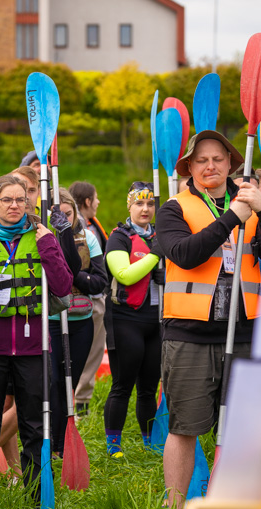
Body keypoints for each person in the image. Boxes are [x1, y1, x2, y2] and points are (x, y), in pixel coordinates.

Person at [156, 131, 261, 509]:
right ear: (189, 166)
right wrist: (230, 218)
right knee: (183, 427)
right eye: (201, 160)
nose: (210, 166)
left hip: (245, 332)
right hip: (189, 335)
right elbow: (184, 254)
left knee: (246, 429)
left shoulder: (253, 202)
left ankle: (242, 505)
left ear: (231, 163)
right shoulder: (174, 207)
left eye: (217, 159)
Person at [0, 174, 72, 496]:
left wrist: (48, 246)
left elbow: (63, 286)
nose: (14, 206)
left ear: (28, 204)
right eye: (7, 200)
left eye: (20, 200)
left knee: (33, 425)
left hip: (33, 347)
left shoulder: (43, 237)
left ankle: (36, 493)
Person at [103, 182, 164, 457]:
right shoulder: (119, 237)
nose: (145, 209)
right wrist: (155, 256)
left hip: (157, 319)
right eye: (139, 203)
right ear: (129, 205)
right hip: (126, 318)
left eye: (150, 204)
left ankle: (150, 442)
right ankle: (113, 445)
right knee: (122, 385)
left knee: (149, 388)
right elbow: (125, 275)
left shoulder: (162, 235)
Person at [48, 189, 107, 457]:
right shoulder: (39, 237)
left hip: (81, 321)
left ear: (74, 212)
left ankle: (62, 444)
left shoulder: (89, 237)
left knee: (68, 384)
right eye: (57, 214)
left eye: (68, 214)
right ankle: (51, 444)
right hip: (49, 321)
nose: (63, 219)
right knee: (54, 384)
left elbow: (99, 282)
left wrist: (76, 277)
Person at [69, 181, 109, 416]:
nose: (98, 202)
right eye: (95, 198)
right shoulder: (87, 232)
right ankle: (81, 406)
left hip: (82, 300)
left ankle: (77, 404)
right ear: (86, 202)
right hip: (89, 302)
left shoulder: (86, 228)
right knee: (90, 354)